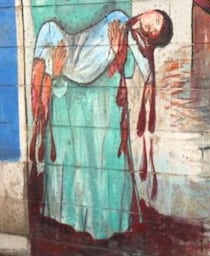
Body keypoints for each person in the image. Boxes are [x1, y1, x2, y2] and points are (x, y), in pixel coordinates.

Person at [30, 9, 173, 240]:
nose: (150, 23)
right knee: (49, 33)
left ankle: (101, 224)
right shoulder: (121, 19)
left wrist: (134, 67)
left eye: (154, 28)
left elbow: (136, 64)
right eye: (154, 18)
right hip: (74, 63)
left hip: (89, 79)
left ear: (151, 36)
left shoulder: (130, 37)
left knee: (99, 167)